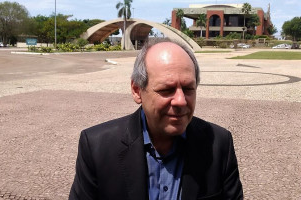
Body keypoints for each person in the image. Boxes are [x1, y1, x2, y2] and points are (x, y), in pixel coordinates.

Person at [69, 39, 243, 200]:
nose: (181, 101)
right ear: (137, 91)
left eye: (189, 88)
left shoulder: (219, 144)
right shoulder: (97, 147)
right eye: (167, 90)